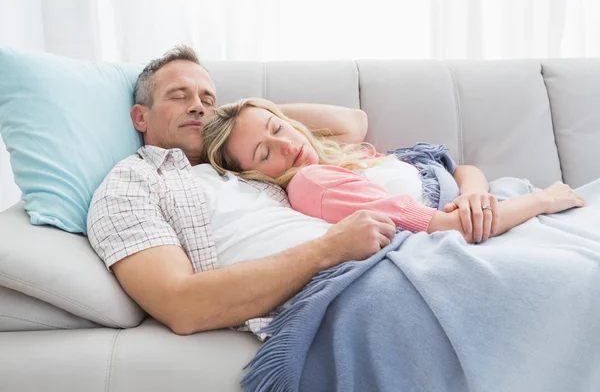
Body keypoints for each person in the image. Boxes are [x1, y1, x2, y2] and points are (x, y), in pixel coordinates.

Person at [86, 45, 398, 337]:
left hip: (387, 249)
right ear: (141, 116)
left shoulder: (239, 156)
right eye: (180, 97)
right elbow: (180, 304)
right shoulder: (132, 182)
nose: (197, 107)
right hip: (344, 282)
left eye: (207, 100)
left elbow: (352, 125)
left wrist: (249, 116)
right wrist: (331, 249)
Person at [199, 97, 587, 244]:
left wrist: (472, 195)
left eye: (278, 127)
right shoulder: (312, 182)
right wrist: (543, 200)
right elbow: (447, 227)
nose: (288, 144)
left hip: (495, 204)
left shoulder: (335, 159)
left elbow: (463, 169)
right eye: (265, 153)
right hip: (498, 219)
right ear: (254, 177)